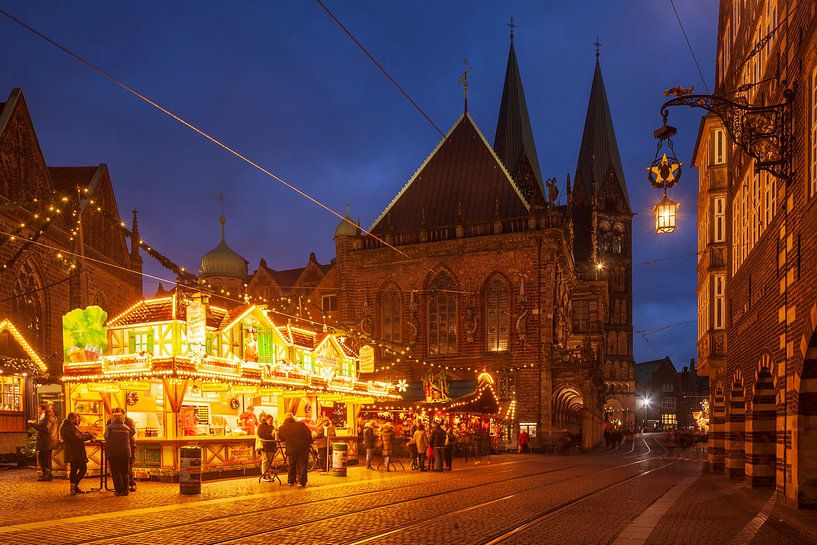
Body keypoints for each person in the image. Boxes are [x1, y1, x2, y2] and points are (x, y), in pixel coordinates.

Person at [60, 413, 95, 495]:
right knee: (83, 469)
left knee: (74, 469)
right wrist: (89, 436)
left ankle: (74, 488)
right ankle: (74, 485)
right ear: (71, 419)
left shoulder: (70, 426)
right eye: (76, 418)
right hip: (75, 452)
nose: (77, 420)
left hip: (74, 452)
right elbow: (77, 438)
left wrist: (86, 434)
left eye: (78, 418)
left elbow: (78, 436)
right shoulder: (69, 428)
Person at [277, 413, 312, 487]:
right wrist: (309, 442)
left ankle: (291, 481)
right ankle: (302, 482)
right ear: (293, 418)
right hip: (303, 447)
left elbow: (282, 438)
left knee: (292, 464)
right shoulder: (301, 424)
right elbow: (308, 434)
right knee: (303, 464)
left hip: (291, 448)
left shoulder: (282, 428)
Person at [105, 413, 134, 496]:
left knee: (116, 472)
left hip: (114, 452)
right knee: (125, 472)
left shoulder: (110, 428)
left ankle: (119, 490)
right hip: (126, 452)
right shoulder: (127, 428)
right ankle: (126, 489)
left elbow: (106, 437)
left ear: (113, 419)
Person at [110, 408, 137, 492]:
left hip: (129, 445)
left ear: (123, 414)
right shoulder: (111, 421)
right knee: (122, 468)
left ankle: (130, 484)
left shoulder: (129, 421)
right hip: (120, 448)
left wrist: (121, 433)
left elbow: (132, 431)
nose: (116, 415)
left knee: (127, 467)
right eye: (114, 413)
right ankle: (124, 487)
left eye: (117, 413)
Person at [33, 404, 59, 481]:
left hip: (47, 442)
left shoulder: (49, 418)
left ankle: (47, 474)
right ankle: (48, 474)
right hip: (46, 442)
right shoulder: (48, 418)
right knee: (44, 458)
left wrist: (34, 425)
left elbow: (46, 429)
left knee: (44, 458)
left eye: (39, 409)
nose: (39, 411)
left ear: (44, 410)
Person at [257, 414, 277, 480]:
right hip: (265, 445)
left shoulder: (272, 426)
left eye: (272, 420)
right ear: (266, 420)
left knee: (270, 461)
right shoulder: (262, 426)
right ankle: (265, 475)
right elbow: (260, 434)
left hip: (271, 445)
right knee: (265, 460)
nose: (271, 421)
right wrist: (271, 435)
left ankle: (269, 474)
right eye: (270, 420)